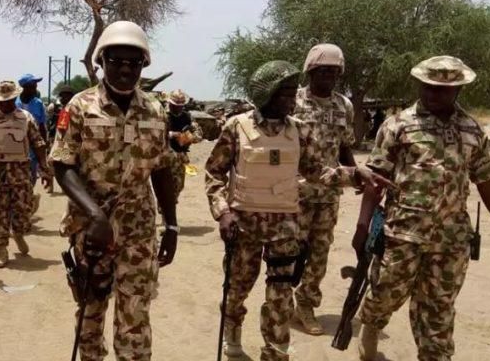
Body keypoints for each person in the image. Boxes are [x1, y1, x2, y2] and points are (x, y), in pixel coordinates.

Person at [205, 60, 388, 361]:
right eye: (285, 93)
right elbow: (214, 174)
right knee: (237, 289)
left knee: (279, 296)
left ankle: (275, 352)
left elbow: (320, 171)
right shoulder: (236, 127)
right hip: (244, 225)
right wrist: (223, 212)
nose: (293, 100)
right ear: (266, 94)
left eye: (292, 93)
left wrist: (355, 175)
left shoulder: (300, 132)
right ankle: (233, 331)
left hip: (285, 228)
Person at [50, 20, 179, 361]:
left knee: (136, 312)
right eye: (116, 61)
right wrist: (94, 215)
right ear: (102, 61)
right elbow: (62, 165)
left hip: (139, 227)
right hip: (91, 228)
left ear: (143, 65)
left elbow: (162, 169)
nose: (125, 69)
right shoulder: (79, 106)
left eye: (133, 62)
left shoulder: (156, 109)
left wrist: (172, 225)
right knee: (92, 310)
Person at [355, 56, 490, 361]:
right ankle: (372, 324)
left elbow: (486, 180)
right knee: (385, 293)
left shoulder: (472, 130)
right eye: (430, 87)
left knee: (438, 308)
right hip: (402, 233)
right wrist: (362, 225)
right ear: (420, 85)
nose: (435, 94)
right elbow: (375, 178)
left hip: (451, 240)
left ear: (458, 89)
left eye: (444, 89)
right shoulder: (398, 125)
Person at [290, 43, 357, 334]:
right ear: (310, 71)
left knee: (320, 252)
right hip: (295, 193)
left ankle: (305, 304)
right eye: (323, 71)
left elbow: (344, 146)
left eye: (334, 72)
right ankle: (280, 302)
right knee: (291, 250)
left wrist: (357, 177)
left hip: (329, 195)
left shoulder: (344, 105)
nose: (329, 76)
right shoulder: (293, 101)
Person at [0, 81, 50, 268]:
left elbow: (38, 143)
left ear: (14, 98)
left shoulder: (25, 118)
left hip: (20, 170)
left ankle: (18, 233)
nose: (5, 104)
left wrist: (44, 167)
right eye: (1, 101)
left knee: (24, 208)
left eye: (9, 100)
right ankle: (1, 249)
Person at [166, 89, 203, 204]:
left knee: (179, 184)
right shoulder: (162, 115)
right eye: (175, 105)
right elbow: (153, 133)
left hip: (181, 155)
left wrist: (189, 138)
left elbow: (199, 134)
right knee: (166, 184)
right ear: (170, 104)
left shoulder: (187, 117)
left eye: (180, 106)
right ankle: (166, 208)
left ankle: (169, 203)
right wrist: (172, 135)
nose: (178, 108)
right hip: (165, 154)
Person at [16, 73, 48, 207]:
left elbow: (42, 126)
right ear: (25, 87)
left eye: (36, 85)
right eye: (33, 85)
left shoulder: (38, 103)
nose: (35, 87)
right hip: (15, 148)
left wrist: (44, 148)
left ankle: (28, 201)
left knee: (32, 178)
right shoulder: (14, 103)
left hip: (33, 149)